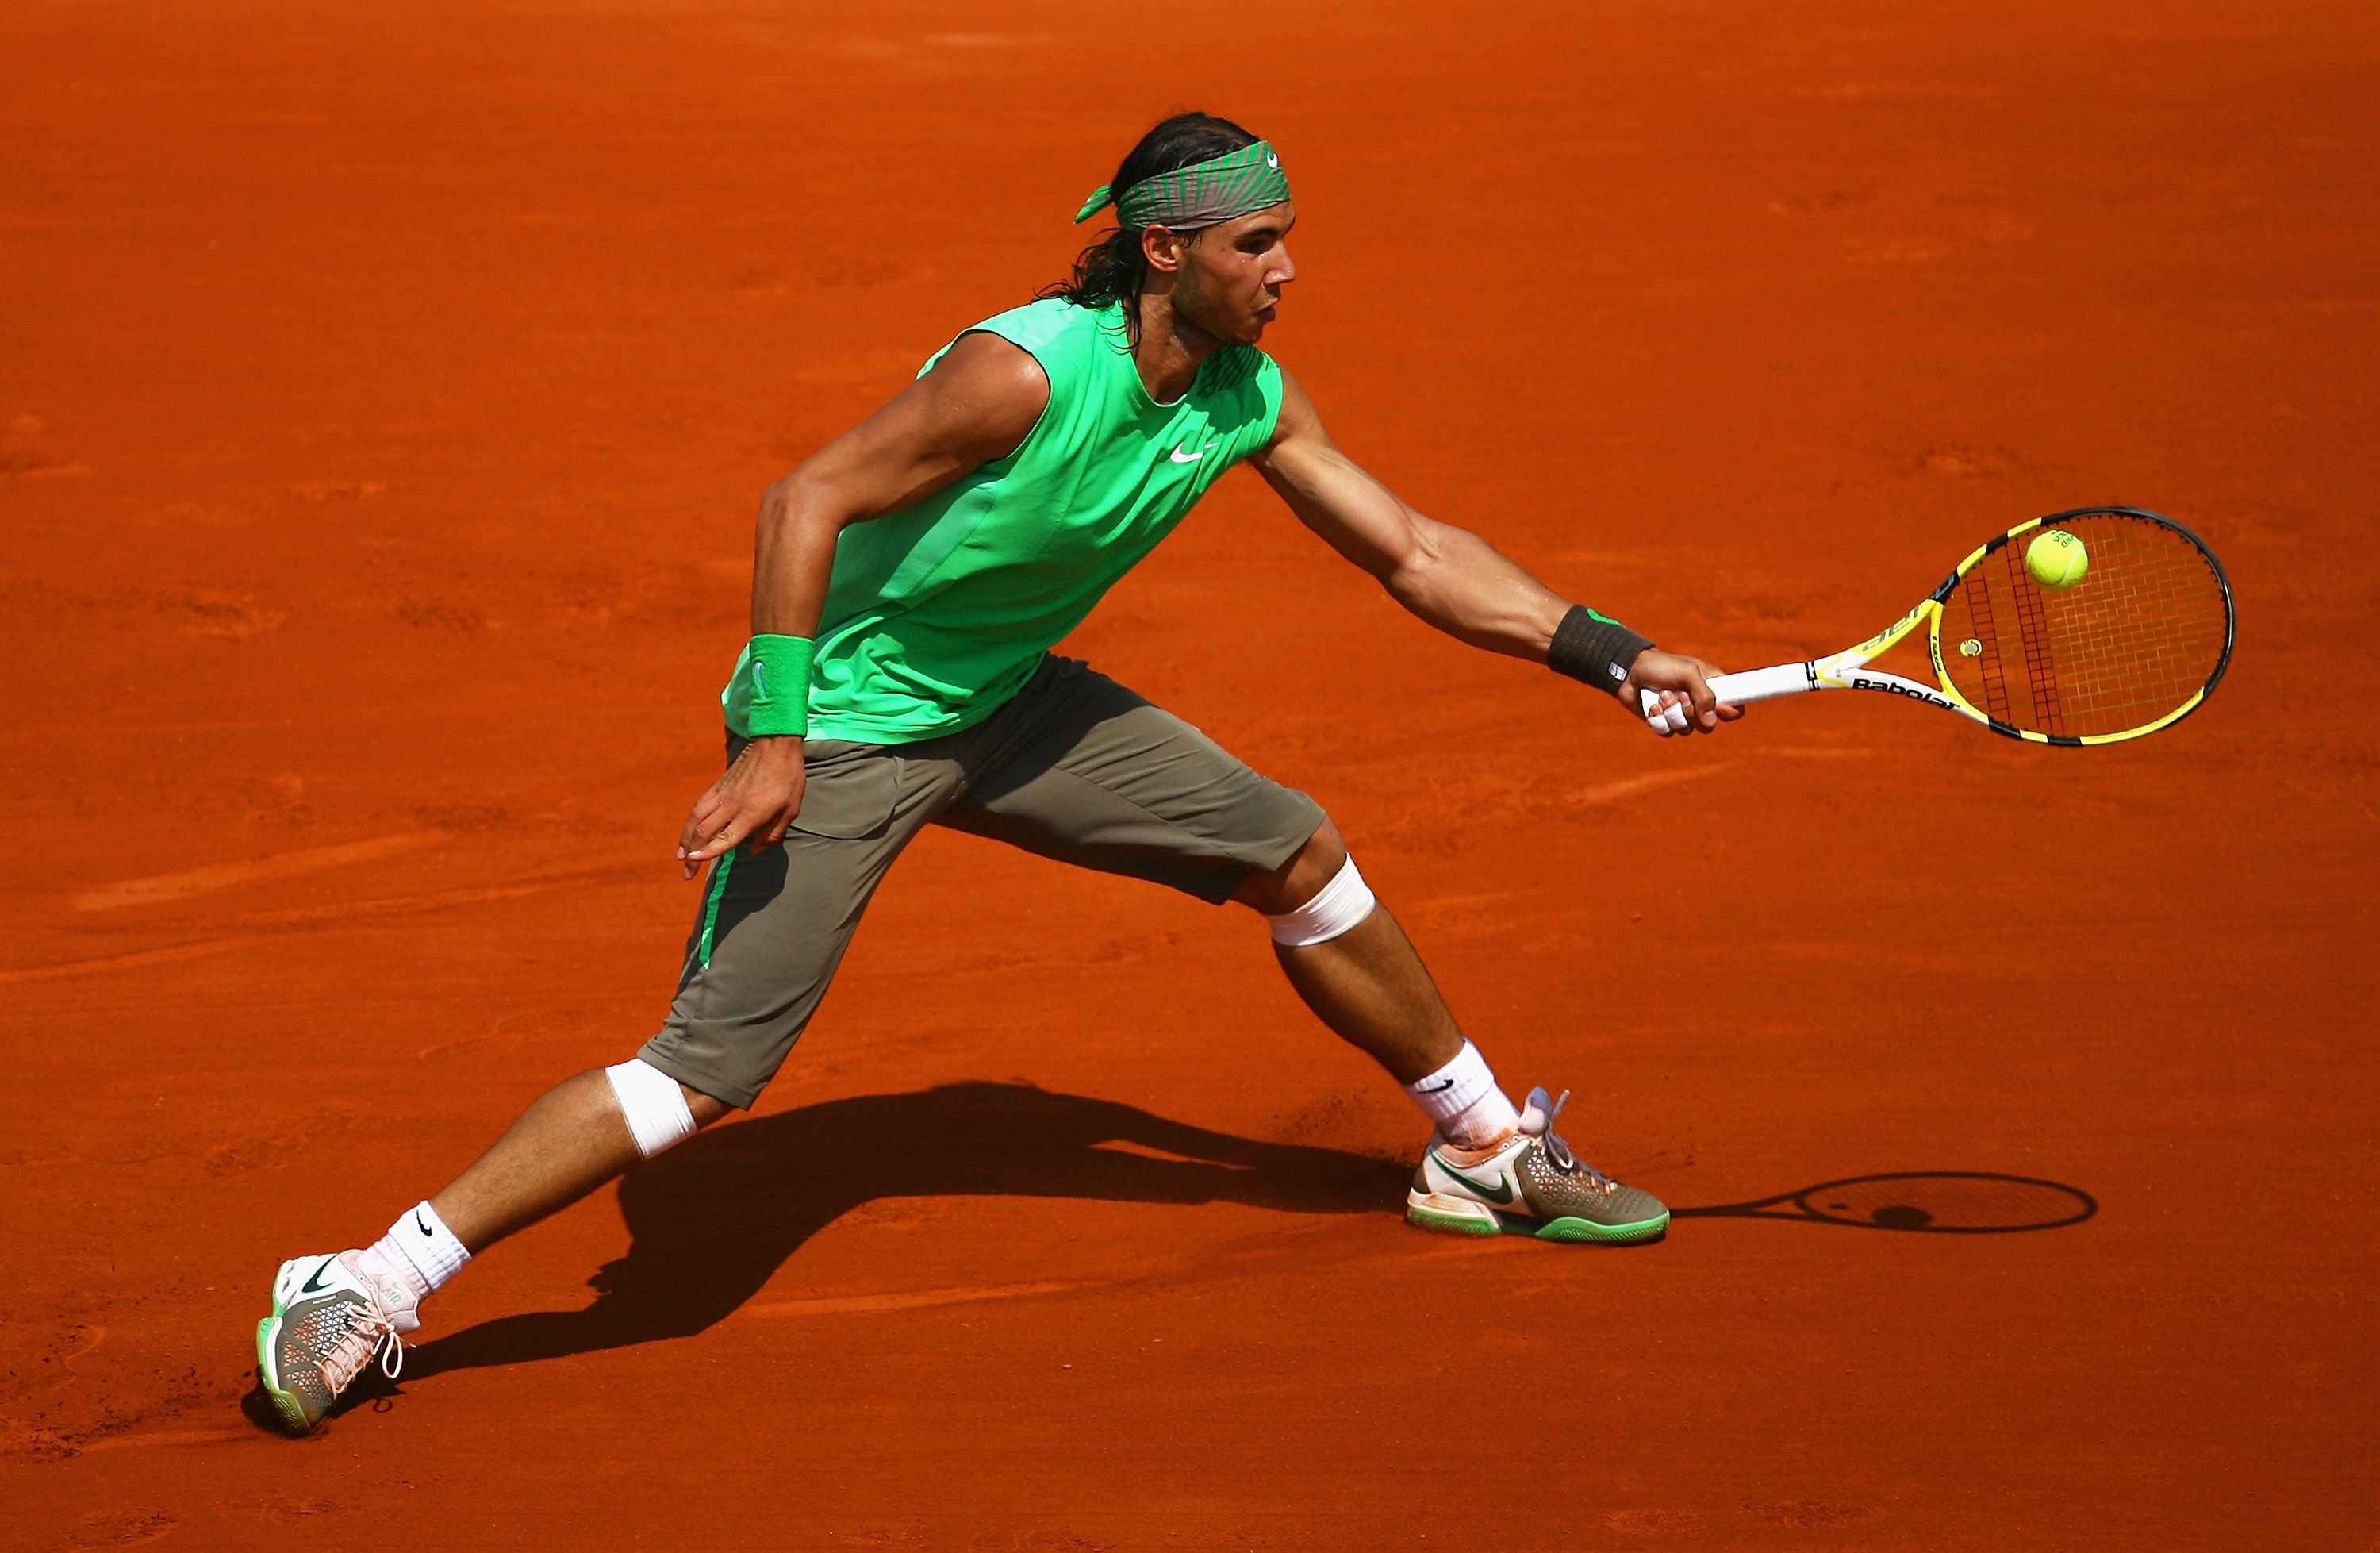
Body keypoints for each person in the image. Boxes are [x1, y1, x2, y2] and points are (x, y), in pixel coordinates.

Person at [254, 110, 1741, 1436]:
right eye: (1257, 242)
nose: (1287, 269)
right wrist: (776, 734)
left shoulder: (1244, 395)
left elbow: (1414, 550)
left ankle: (1481, 1147)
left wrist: (1612, 652)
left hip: (1011, 705)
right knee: (704, 1073)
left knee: (1295, 852)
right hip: (840, 720)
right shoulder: (1022, 371)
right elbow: (807, 495)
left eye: (1289, 240)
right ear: (1167, 249)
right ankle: (369, 1281)